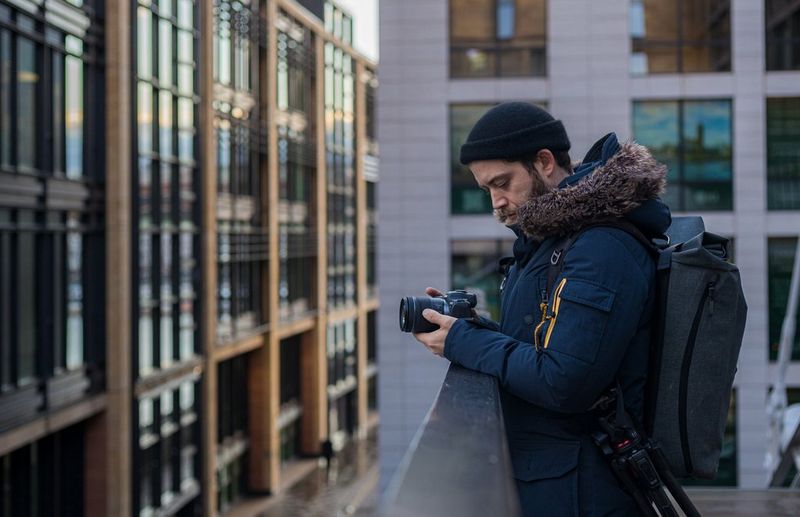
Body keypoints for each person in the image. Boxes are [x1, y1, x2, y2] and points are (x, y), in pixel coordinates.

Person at [412, 102, 671, 516]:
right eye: (487, 190)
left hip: (581, 492)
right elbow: (541, 343)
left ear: (545, 162)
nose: (496, 202)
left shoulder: (600, 246)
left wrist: (463, 342)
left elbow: (563, 380)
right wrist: (471, 327)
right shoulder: (551, 243)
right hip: (556, 481)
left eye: (503, 183)